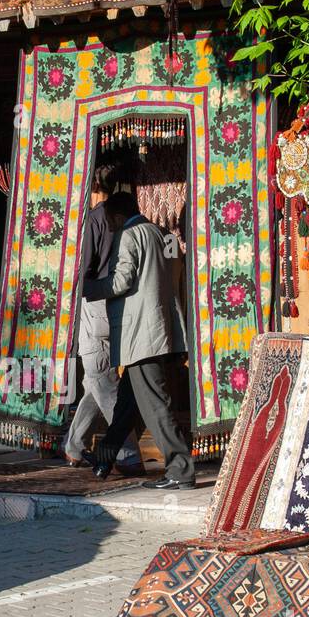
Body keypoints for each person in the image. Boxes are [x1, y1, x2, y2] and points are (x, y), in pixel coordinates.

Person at [82, 191, 195, 490]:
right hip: (155, 331)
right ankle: (104, 458)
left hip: (141, 337)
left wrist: (86, 288)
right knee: (125, 407)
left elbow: (121, 281)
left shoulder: (129, 234)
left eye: (108, 220)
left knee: (155, 406)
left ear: (118, 216)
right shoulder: (156, 232)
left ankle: (180, 469)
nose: (107, 226)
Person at [62, 165, 144, 475]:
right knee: (98, 379)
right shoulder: (123, 222)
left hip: (97, 301)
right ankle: (97, 448)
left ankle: (117, 449)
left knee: (100, 379)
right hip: (112, 305)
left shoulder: (96, 221)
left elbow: (82, 274)